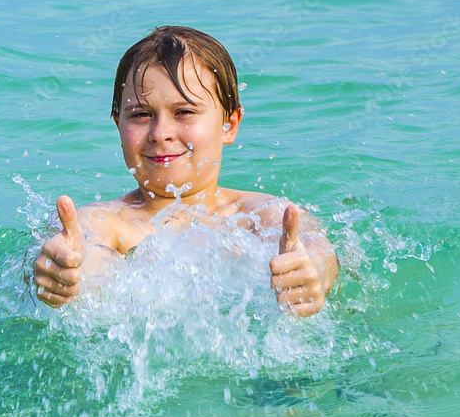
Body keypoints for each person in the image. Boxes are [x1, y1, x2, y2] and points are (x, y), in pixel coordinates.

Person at [32, 26, 338, 317]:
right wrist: (65, 273)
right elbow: (85, 253)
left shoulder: (265, 216)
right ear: (118, 125)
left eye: (184, 112)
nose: (160, 133)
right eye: (140, 114)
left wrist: (312, 272)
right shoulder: (105, 221)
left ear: (229, 124)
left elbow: (317, 250)